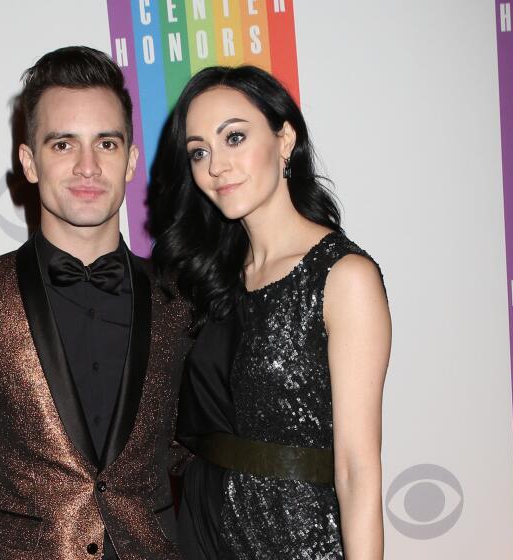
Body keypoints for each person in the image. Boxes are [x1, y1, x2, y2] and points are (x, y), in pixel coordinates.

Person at [0, 46, 191, 560]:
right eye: (63, 144)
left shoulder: (179, 300)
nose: (88, 166)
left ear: (130, 160)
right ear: (30, 162)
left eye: (106, 143)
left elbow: (192, 454)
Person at [150, 65, 391, 559]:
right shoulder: (203, 280)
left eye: (234, 137)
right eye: (199, 151)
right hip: (203, 529)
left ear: (285, 140)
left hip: (295, 538)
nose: (216, 166)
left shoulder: (344, 277)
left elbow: (357, 468)